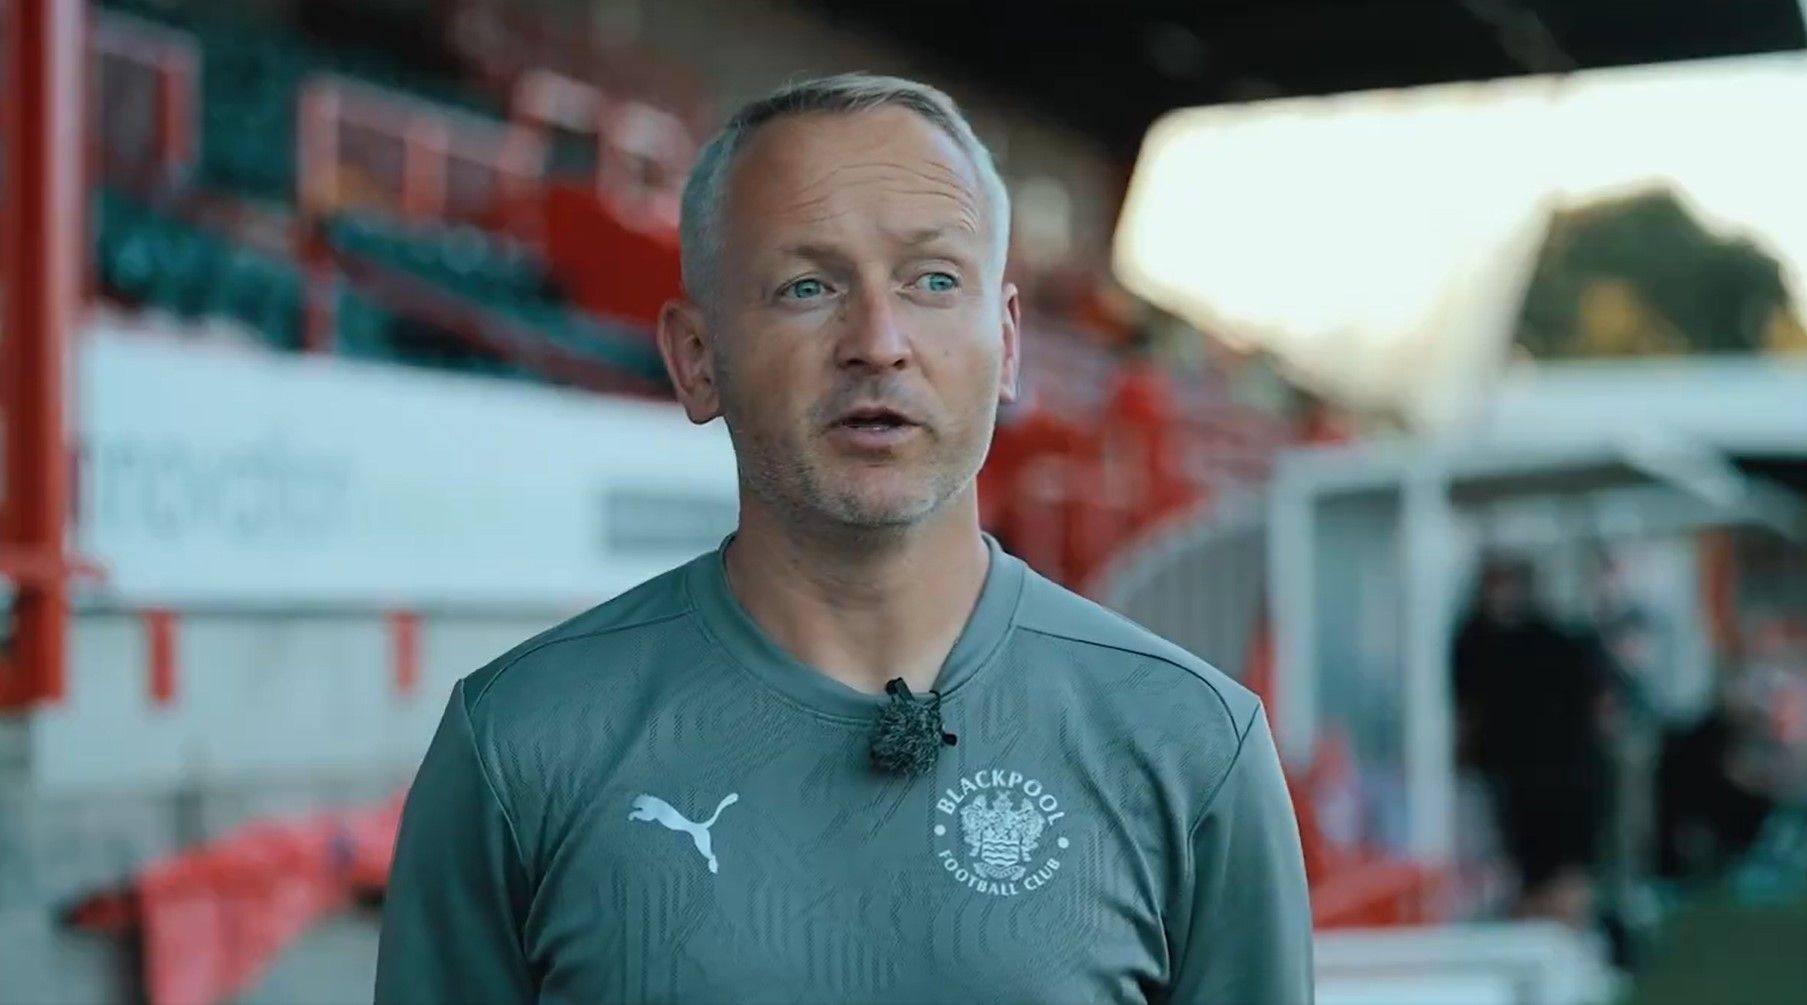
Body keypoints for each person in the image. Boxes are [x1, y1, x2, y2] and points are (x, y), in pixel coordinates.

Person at [376, 73, 1312, 1004]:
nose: (878, 339)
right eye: (807, 285)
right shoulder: (521, 746)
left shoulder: (1189, 747)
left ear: (1010, 344)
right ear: (697, 361)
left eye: (934, 280)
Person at [1453, 555, 1613, 925]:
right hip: (1554, 778)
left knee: (1546, 873)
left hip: (1538, 779)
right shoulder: (1562, 645)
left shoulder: (1493, 646)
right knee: (1556, 873)